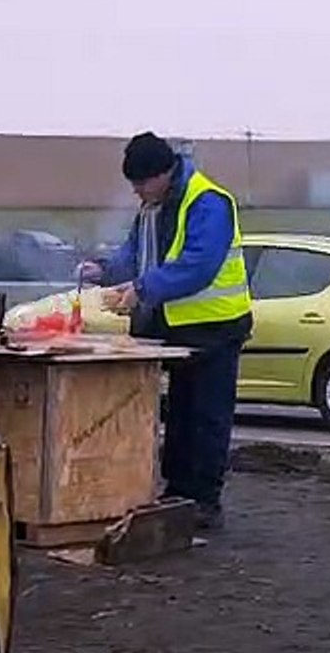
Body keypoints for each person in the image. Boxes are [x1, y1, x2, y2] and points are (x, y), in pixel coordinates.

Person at [79, 132, 253, 530]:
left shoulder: (208, 202)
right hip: (175, 329)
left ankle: (204, 501)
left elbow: (199, 265)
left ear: (163, 173)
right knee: (179, 416)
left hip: (216, 326)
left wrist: (142, 290)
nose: (137, 192)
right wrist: (104, 271)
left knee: (207, 416)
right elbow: (135, 254)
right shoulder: (152, 208)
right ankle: (177, 492)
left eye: (141, 183)